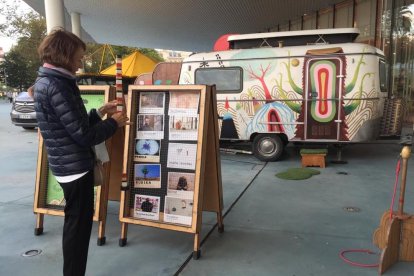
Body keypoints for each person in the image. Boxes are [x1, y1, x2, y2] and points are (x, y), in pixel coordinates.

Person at [33, 28, 128, 276]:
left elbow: (72, 125)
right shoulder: (58, 86)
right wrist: (113, 124)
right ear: (64, 55)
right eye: (78, 56)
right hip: (75, 169)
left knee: (75, 223)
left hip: (67, 165)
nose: (80, 62)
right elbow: (84, 136)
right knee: (78, 227)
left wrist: (99, 113)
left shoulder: (50, 81)